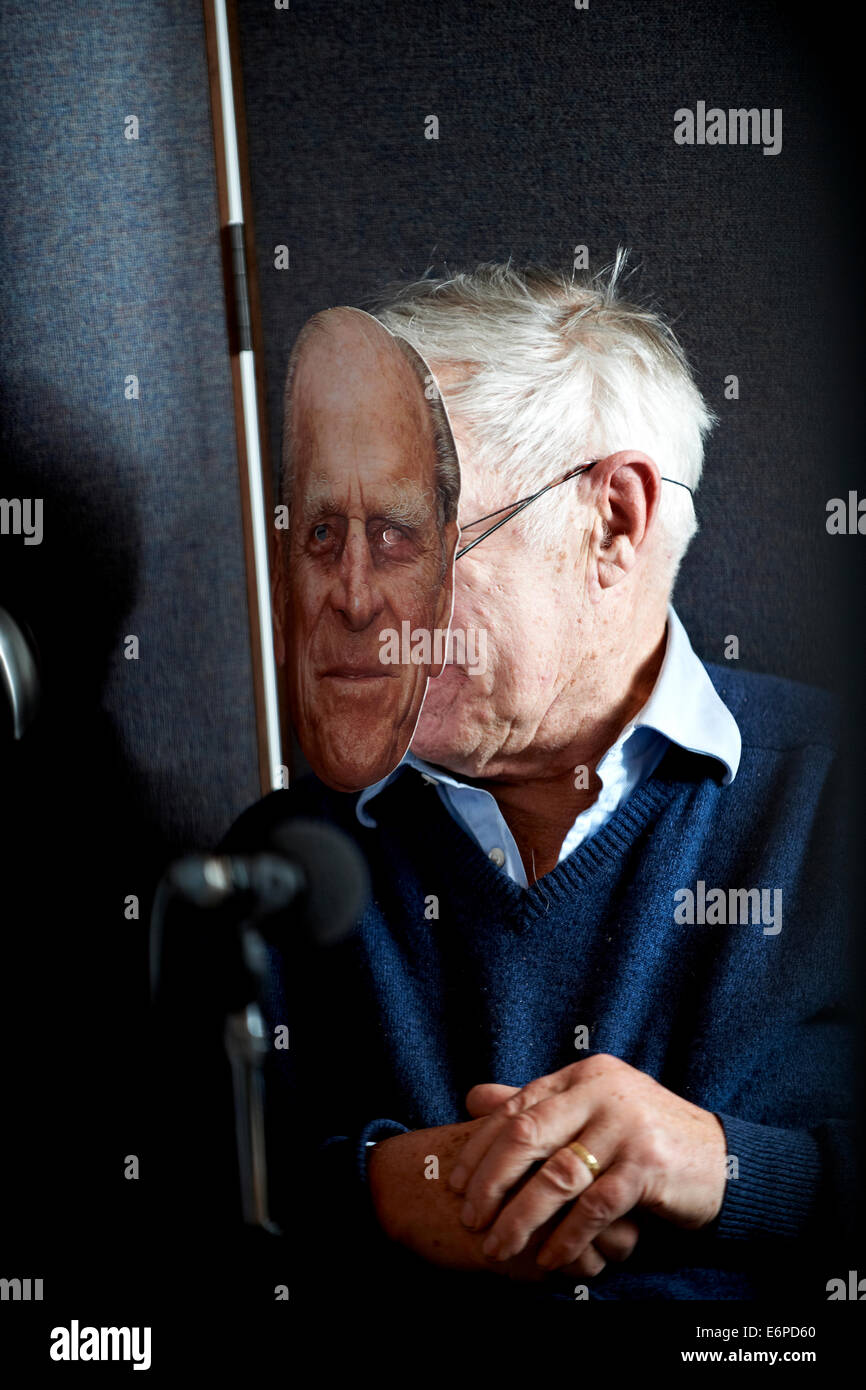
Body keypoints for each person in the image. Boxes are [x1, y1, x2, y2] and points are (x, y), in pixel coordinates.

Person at [229, 255, 855, 1305]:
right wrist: (375, 1190)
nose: (343, 600)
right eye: (322, 534)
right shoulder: (275, 868)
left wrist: (728, 1167)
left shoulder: (832, 804)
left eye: (403, 533)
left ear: (610, 522)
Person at [273, 306, 460, 792]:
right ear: (278, 592)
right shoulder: (251, 852)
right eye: (322, 535)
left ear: (443, 598)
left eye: (393, 535)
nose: (356, 603)